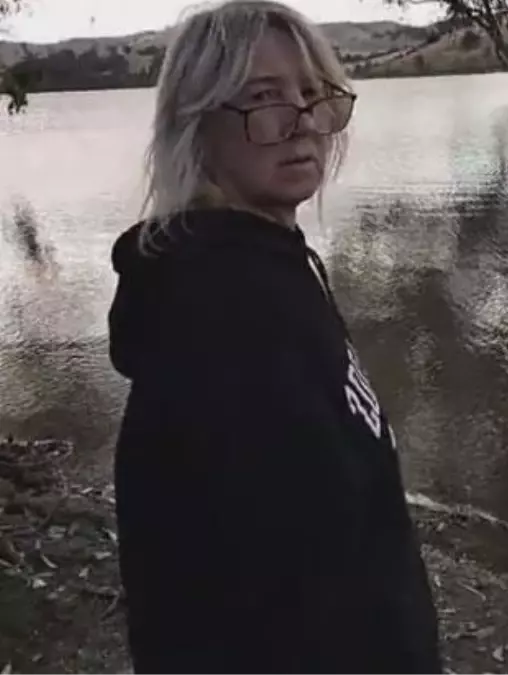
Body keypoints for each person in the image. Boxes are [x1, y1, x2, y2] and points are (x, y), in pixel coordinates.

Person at [105, 3, 442, 673]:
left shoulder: (263, 267)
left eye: (313, 95)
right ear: (196, 126)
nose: (305, 123)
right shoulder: (225, 313)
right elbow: (296, 592)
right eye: (264, 101)